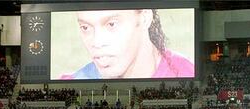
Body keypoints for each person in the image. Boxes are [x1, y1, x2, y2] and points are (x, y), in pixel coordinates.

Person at [60, 9, 194, 80]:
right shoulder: (73, 81)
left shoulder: (187, 73)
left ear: (144, 18)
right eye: (85, 27)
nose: (96, 42)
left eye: (111, 24)